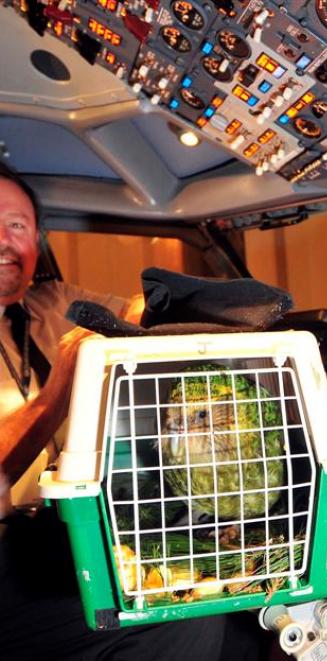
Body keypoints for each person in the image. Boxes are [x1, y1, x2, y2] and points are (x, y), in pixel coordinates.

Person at [0, 164, 226, 660]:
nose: (4, 242)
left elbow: (136, 314)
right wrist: (60, 384)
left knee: (222, 578)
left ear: (37, 239)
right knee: (180, 619)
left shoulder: (51, 300)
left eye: (16, 226)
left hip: (58, 528)